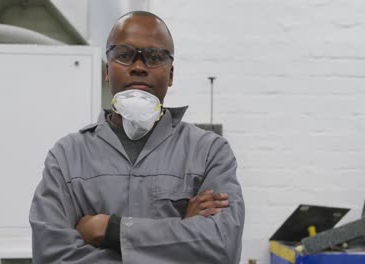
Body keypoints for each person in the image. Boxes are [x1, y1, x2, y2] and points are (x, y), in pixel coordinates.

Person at [29, 11, 245, 264]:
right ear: (107, 70)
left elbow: (222, 246)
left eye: (155, 57)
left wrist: (109, 229)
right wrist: (181, 232)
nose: (139, 66)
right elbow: (51, 254)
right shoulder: (67, 155)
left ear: (171, 74)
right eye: (124, 55)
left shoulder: (208, 152)